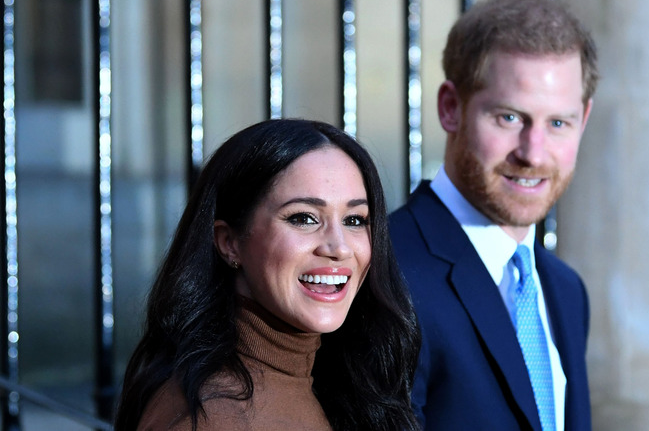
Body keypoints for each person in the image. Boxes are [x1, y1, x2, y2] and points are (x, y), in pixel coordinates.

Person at [115, 119, 421, 431]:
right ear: (229, 242)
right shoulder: (219, 418)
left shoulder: (329, 381)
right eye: (304, 218)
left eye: (355, 220)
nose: (339, 247)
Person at [389, 0, 599, 430]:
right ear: (451, 108)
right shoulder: (388, 275)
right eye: (509, 118)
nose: (533, 153)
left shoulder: (565, 290)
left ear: (585, 118)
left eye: (558, 123)